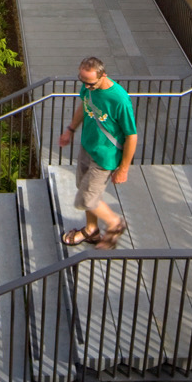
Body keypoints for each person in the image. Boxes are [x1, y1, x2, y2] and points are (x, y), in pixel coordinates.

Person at [58, 56, 138, 249]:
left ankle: (115, 223)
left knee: (86, 198)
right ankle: (91, 230)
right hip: (88, 146)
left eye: (91, 83)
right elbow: (84, 108)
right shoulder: (88, 87)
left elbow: (132, 136)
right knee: (84, 188)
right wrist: (70, 129)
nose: (87, 86)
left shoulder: (119, 99)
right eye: (83, 81)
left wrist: (124, 169)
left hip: (106, 157)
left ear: (103, 76)